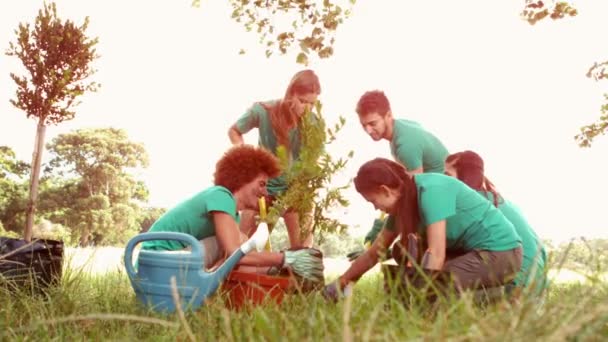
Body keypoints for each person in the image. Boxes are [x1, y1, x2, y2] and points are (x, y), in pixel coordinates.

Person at [324, 158, 523, 300]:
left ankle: (503, 296)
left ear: (385, 190)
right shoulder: (402, 205)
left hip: (500, 253)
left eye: (373, 201)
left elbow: (435, 253)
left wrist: (421, 297)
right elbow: (375, 253)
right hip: (469, 252)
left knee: (437, 291)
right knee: (401, 254)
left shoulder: (430, 191)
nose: (376, 207)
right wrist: (341, 282)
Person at [142, 145, 324, 282]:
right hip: (157, 263)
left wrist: (281, 268)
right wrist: (286, 258)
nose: (265, 193)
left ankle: (277, 282)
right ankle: (277, 274)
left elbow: (232, 260)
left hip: (162, 267)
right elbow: (233, 252)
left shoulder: (232, 214)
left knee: (240, 241)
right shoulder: (221, 195)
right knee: (239, 243)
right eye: (262, 184)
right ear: (243, 178)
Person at [228, 70, 321, 248]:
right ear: (290, 94)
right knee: (242, 244)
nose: (306, 109)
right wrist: (245, 157)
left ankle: (295, 273)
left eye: (312, 104)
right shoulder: (264, 111)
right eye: (302, 101)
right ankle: (232, 274)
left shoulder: (315, 123)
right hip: (265, 188)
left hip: (295, 190)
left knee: (302, 249)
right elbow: (234, 131)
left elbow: (313, 164)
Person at [352, 90, 450, 254]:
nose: (368, 130)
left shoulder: (405, 145)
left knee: (403, 250)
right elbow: (398, 186)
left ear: (388, 115)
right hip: (435, 194)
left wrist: (381, 229)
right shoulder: (400, 129)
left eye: (373, 123)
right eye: (364, 125)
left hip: (443, 201)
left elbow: (412, 193)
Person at [444, 151, 548, 296]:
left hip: (513, 289)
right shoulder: (504, 203)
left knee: (439, 284)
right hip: (537, 291)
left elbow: (437, 247)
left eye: (447, 175)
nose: (442, 181)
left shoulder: (465, 206)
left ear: (464, 176)